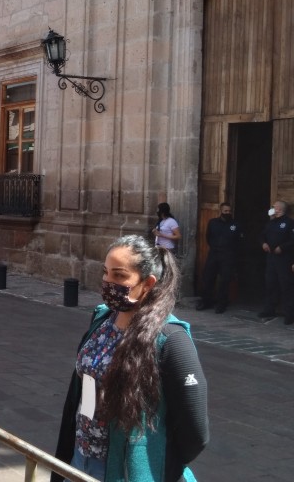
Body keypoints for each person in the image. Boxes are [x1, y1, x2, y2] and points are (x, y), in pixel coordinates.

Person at [51, 235, 208, 482]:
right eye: (105, 272)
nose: (107, 282)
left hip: (124, 470)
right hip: (81, 459)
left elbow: (195, 432)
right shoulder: (102, 320)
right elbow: (83, 391)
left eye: (119, 276)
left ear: (147, 283)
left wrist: (152, 462)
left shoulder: (171, 341)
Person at [197, 202, 243, 313]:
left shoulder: (236, 225)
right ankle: (206, 301)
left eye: (229, 211)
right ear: (221, 211)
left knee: (224, 281)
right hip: (214, 254)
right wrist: (215, 247)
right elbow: (208, 237)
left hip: (228, 256)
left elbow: (239, 241)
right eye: (225, 211)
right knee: (208, 278)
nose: (228, 213)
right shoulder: (213, 223)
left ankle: (222, 304)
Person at [259, 200, 294, 323]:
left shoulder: (289, 223)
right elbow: (262, 235)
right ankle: (269, 309)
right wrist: (263, 243)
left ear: (279, 209)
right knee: (270, 284)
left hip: (284, 259)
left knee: (286, 285)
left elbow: (292, 240)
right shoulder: (271, 223)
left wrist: (282, 247)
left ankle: (289, 313)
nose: (272, 208)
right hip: (271, 259)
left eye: (274, 207)